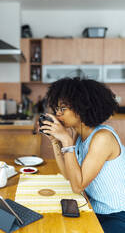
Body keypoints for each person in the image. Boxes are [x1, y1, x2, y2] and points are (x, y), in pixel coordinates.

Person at [39, 77, 125, 233]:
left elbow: (78, 186)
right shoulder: (79, 136)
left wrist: (65, 139)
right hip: (95, 208)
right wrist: (55, 142)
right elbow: (69, 176)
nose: (58, 114)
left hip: (117, 215)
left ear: (80, 109)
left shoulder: (102, 138)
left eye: (62, 108)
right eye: (57, 108)